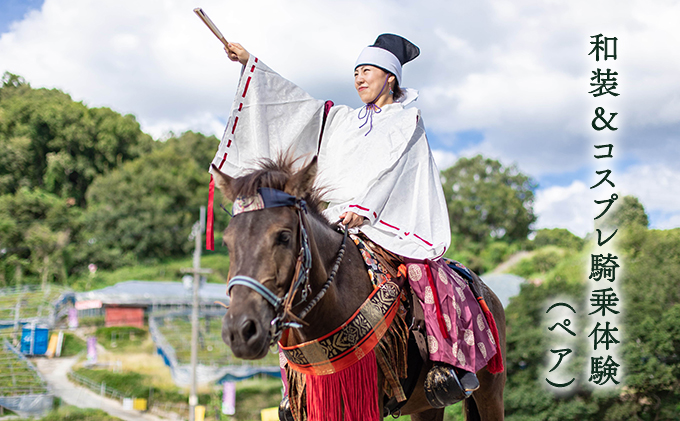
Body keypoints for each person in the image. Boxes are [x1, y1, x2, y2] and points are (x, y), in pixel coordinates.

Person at [211, 34, 497, 409]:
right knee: (298, 283)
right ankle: (293, 385)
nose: (359, 78)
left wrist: (368, 208)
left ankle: (445, 364)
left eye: (368, 71)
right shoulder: (344, 120)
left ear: (390, 77)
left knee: (422, 274)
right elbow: (298, 106)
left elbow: (398, 172)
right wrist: (252, 64)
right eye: (356, 72)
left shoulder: (406, 121)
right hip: (337, 219)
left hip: (387, 220)